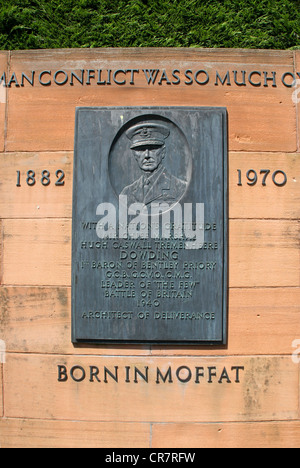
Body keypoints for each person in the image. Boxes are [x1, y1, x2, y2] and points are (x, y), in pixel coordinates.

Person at [121, 123, 187, 206]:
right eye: (141, 150)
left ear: (163, 152)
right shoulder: (127, 192)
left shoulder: (181, 188)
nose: (146, 155)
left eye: (153, 149)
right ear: (135, 155)